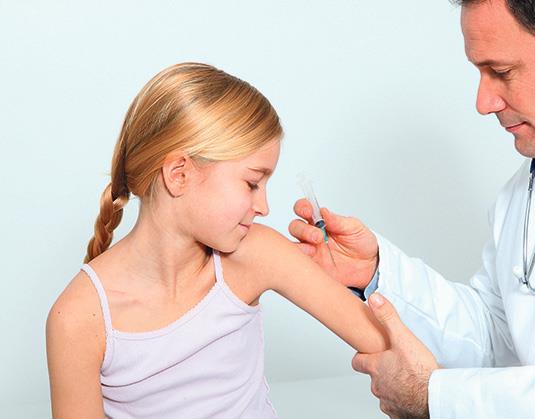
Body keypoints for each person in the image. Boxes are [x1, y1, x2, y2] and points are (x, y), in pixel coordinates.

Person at [289, 0, 535, 417]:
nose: (484, 102)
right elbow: (498, 337)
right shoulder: (532, 187)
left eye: (502, 72)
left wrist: (436, 397)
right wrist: (373, 273)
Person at [45, 62, 388, 418]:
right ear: (179, 175)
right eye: (252, 183)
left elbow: (395, 349)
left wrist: (368, 274)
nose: (264, 207)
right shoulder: (78, 317)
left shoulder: (255, 254)